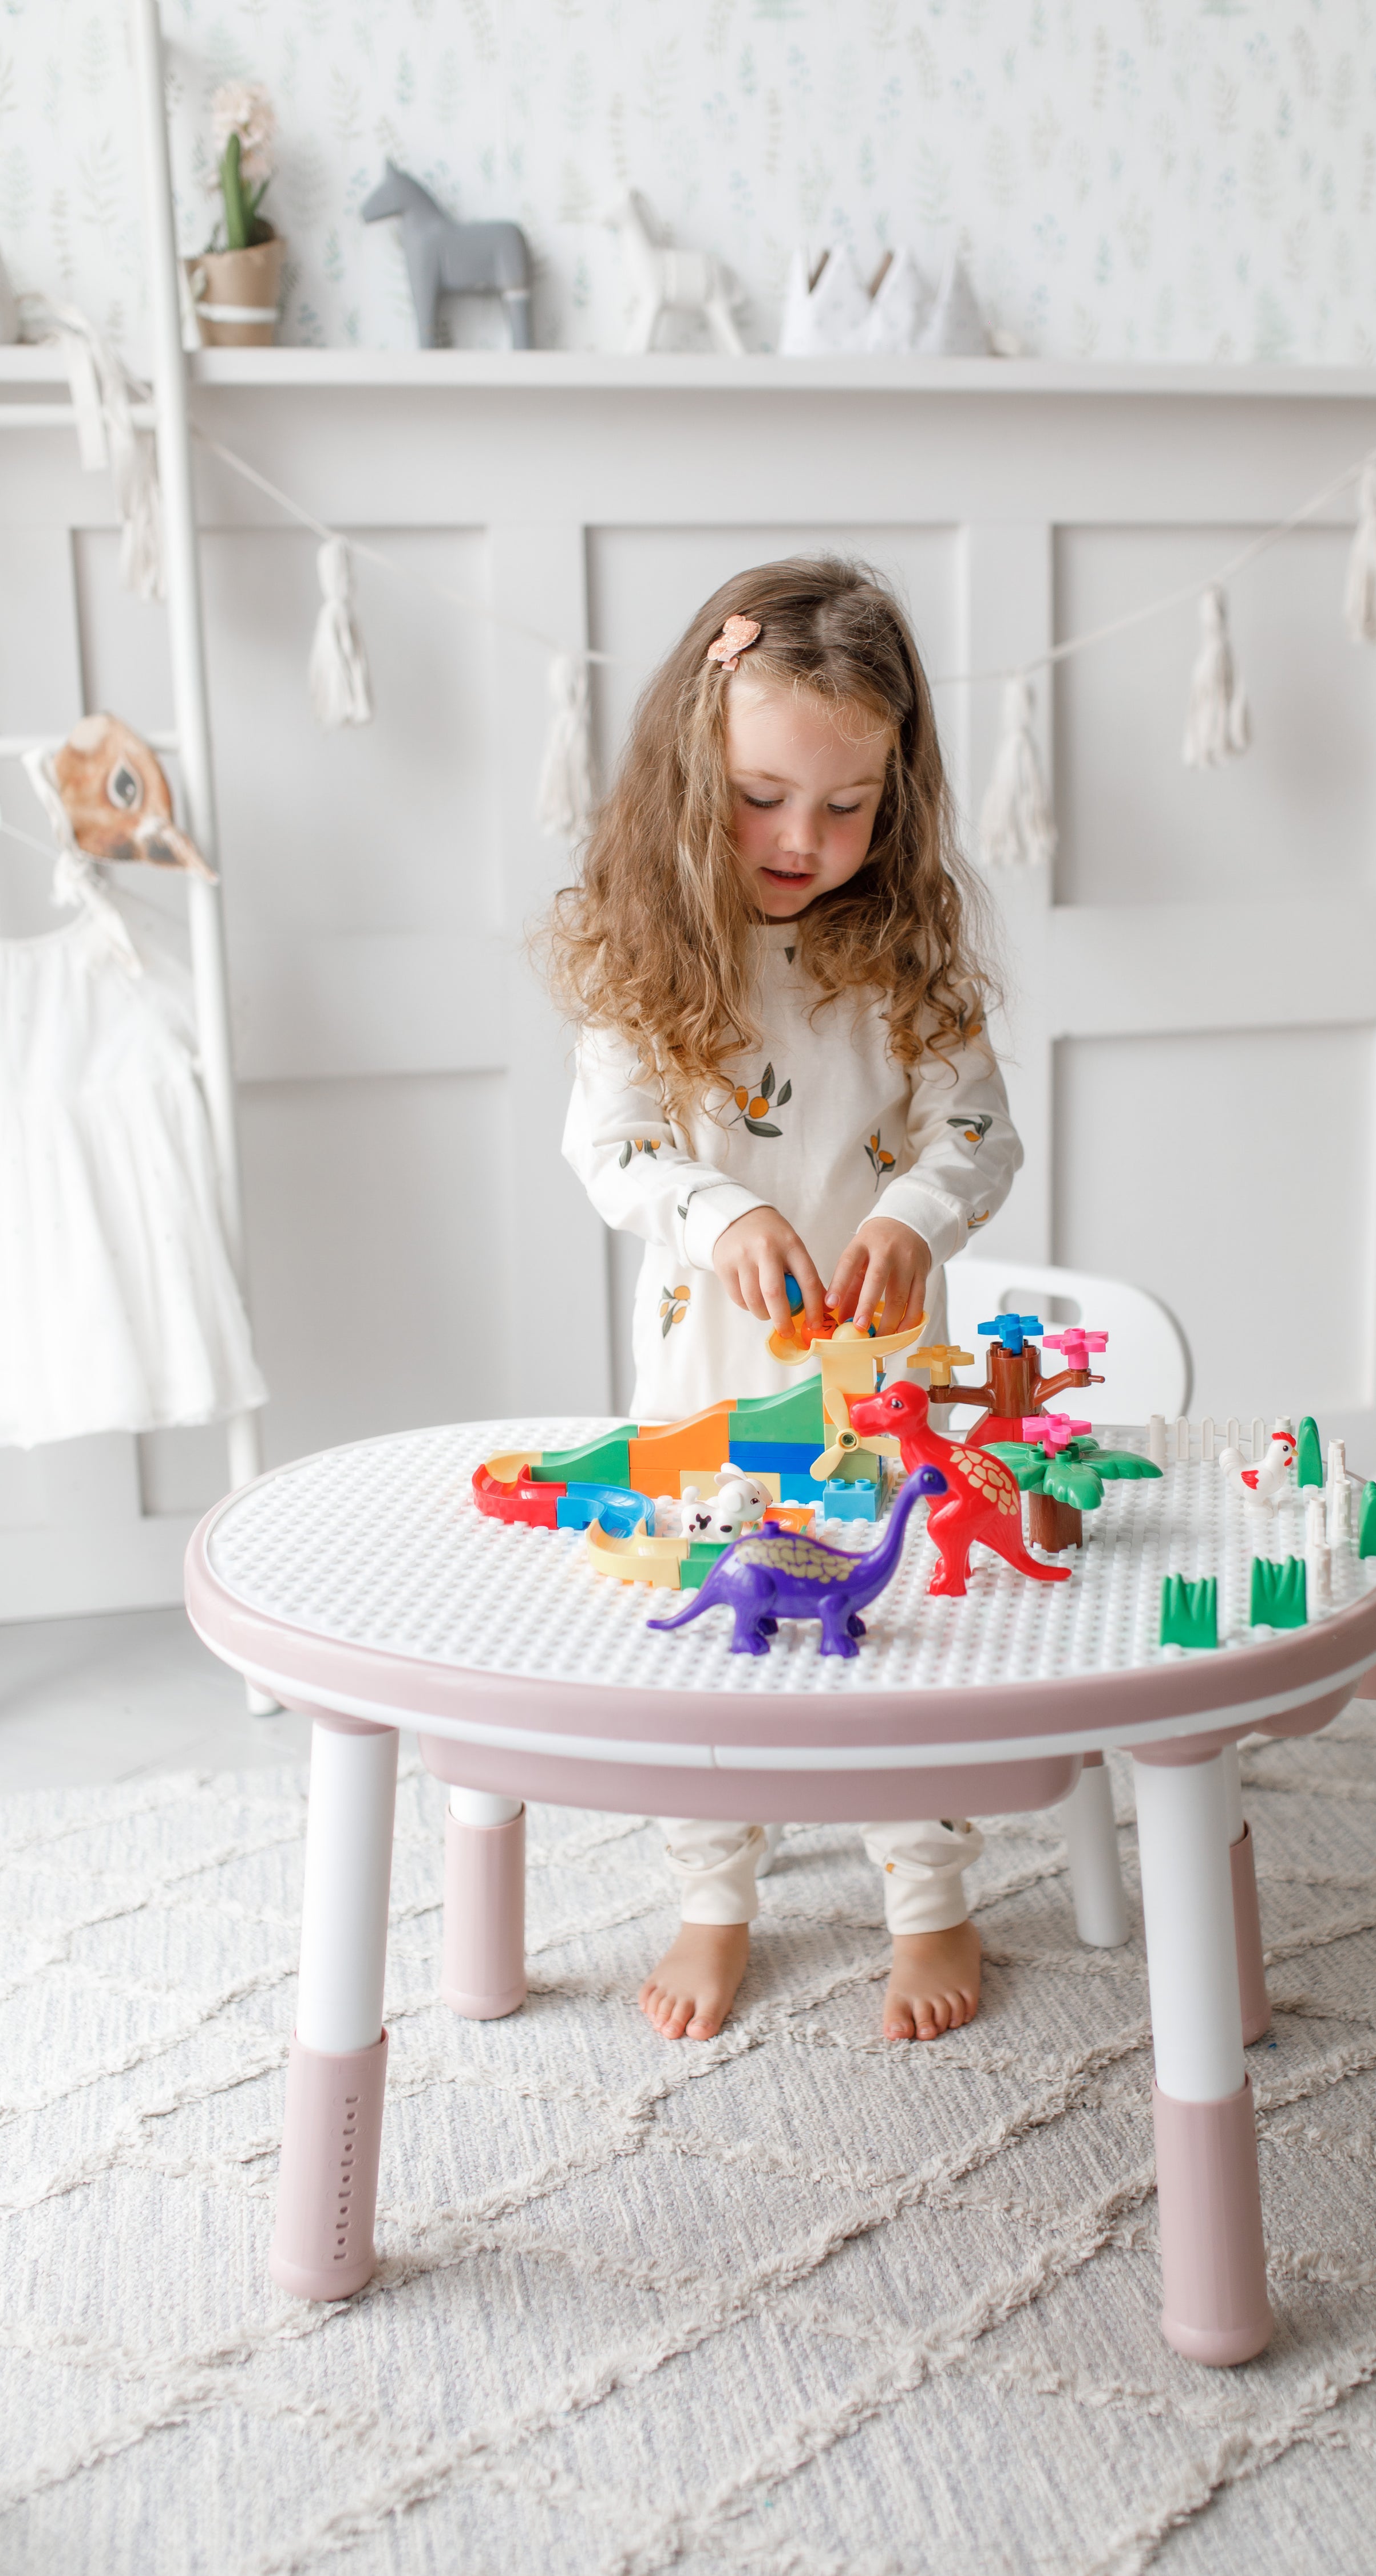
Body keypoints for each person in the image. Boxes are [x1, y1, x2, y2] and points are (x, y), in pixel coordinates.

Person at [549, 557, 1022, 2045]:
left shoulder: (901, 954)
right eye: (763, 795)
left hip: (878, 1377)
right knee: (720, 1634)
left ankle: (928, 1891)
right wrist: (722, 1208)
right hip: (710, 1382)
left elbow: (980, 1131)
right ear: (696, 770)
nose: (803, 840)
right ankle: (714, 1892)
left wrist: (911, 1214)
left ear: (896, 794)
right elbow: (611, 1147)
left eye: (847, 804)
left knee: (895, 1621)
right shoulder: (647, 954)